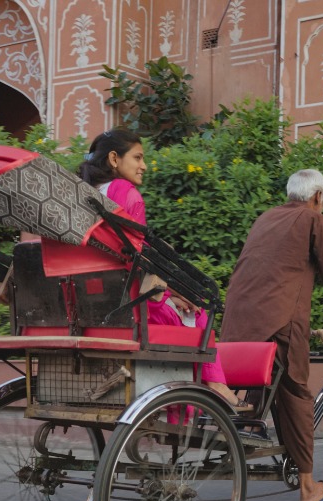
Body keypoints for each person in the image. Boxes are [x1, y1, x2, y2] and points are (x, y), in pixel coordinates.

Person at [220, 169, 323, 501]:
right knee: (296, 392)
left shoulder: (266, 218)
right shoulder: (315, 221)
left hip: (237, 321)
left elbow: (270, 278)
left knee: (260, 384)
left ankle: (241, 446)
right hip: (280, 323)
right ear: (318, 196)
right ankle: (307, 486)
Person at [78, 129, 238, 406]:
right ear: (114, 159)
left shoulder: (84, 195)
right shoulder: (126, 194)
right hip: (126, 308)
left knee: (179, 303)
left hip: (87, 307)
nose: (144, 166)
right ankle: (215, 385)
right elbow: (136, 258)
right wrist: (174, 292)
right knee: (199, 312)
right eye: (138, 157)